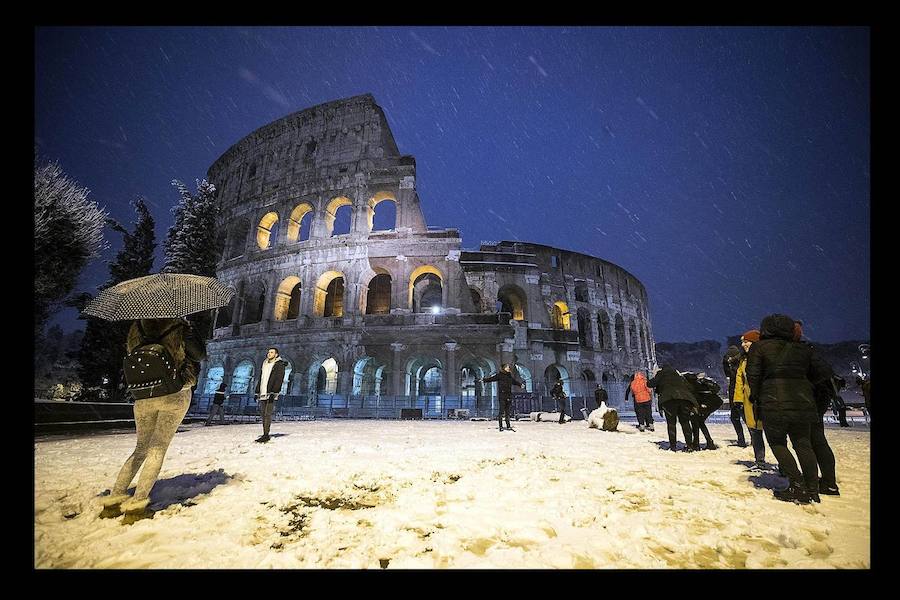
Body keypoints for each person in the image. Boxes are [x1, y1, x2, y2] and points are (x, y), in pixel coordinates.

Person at [99, 317, 206, 523]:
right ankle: (137, 507)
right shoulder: (180, 325)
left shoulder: (136, 326)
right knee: (157, 449)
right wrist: (190, 330)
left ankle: (112, 502)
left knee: (140, 449)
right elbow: (199, 355)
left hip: (144, 394)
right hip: (174, 391)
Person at [746, 314, 832, 504]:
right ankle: (812, 488)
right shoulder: (803, 349)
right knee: (803, 444)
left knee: (777, 443)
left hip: (772, 401)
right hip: (803, 401)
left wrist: (759, 394)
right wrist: (802, 384)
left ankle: (797, 485)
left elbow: (753, 376)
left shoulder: (759, 348)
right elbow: (824, 373)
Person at [733, 330, 767, 470]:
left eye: (746, 341)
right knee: (755, 431)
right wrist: (738, 400)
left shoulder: (766, 357)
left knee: (773, 433)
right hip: (749, 400)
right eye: (743, 342)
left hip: (766, 399)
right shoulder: (743, 359)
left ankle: (784, 464)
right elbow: (739, 381)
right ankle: (760, 460)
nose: (743, 345)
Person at [647, 365, 699, 452]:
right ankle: (689, 445)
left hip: (669, 400)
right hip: (684, 400)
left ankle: (673, 446)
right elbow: (690, 387)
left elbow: (650, 384)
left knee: (671, 423)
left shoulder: (662, 373)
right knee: (685, 422)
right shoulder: (678, 375)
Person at [255, 347, 287, 442]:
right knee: (262, 414)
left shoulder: (279, 365)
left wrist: (275, 391)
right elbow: (261, 378)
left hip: (271, 392)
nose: (269, 354)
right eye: (268, 352)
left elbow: (279, 379)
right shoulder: (264, 364)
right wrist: (257, 391)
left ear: (276, 354)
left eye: (272, 352)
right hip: (263, 391)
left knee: (267, 414)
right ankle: (265, 432)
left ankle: (266, 434)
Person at [683, 372, 722, 450]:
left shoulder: (692, 387)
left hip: (707, 404)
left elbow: (695, 399)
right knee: (699, 422)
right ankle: (708, 442)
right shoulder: (699, 383)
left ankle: (697, 444)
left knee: (695, 421)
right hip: (714, 403)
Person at [479, 363, 524, 431]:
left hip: (508, 395)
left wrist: (520, 385)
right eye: (507, 367)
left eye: (508, 367)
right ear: (503, 368)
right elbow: (491, 379)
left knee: (507, 412)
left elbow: (514, 382)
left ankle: (508, 426)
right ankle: (501, 426)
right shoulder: (500, 375)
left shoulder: (509, 376)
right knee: (501, 412)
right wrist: (484, 380)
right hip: (502, 396)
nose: (508, 368)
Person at [723, 345, 748, 447]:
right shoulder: (732, 363)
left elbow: (733, 376)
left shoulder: (740, 362)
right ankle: (742, 440)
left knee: (744, 417)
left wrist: (728, 363)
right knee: (736, 417)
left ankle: (748, 439)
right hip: (734, 392)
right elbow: (728, 375)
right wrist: (725, 363)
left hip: (740, 392)